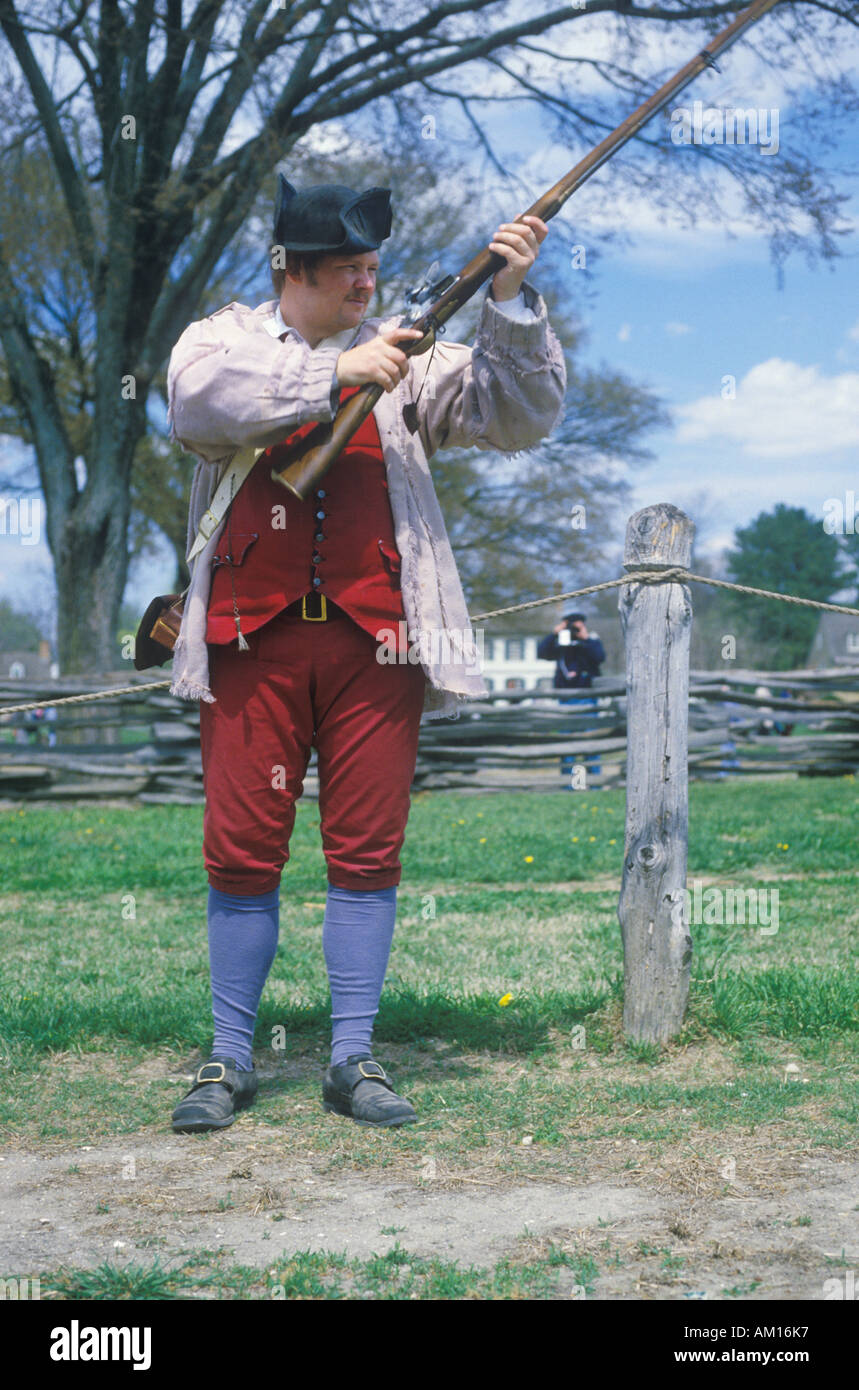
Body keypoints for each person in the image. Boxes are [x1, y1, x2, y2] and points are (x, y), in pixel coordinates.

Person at [165, 176, 566, 1132]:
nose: (363, 279)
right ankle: (227, 1059)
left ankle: (352, 1057)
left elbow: (522, 414)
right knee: (239, 853)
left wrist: (507, 300)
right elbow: (197, 407)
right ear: (289, 268)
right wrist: (338, 376)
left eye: (370, 265)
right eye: (347, 265)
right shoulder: (222, 339)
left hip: (379, 645)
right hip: (248, 640)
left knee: (366, 852)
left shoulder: (408, 358)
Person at [537, 613, 605, 786]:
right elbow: (542, 653)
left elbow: (599, 658)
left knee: (590, 742)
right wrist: (554, 633)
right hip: (565, 699)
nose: (574, 629)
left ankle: (594, 782)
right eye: (571, 625)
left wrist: (585, 637)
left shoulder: (591, 641)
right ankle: (573, 784)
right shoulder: (562, 643)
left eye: (577, 625)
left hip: (587, 698)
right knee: (568, 744)